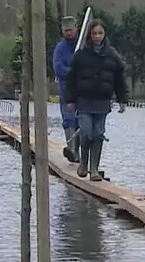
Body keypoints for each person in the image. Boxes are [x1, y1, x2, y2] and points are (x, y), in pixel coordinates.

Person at [63, 19, 129, 181]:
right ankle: (83, 163)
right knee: (86, 132)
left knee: (98, 134)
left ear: (104, 34)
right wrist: (70, 100)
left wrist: (122, 100)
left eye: (100, 33)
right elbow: (71, 79)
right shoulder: (81, 56)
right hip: (84, 101)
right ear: (89, 35)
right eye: (94, 33)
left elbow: (120, 79)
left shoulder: (112, 55)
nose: (97, 36)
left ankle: (94, 169)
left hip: (102, 102)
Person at [53, 16, 80, 163]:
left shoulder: (82, 46)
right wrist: (72, 72)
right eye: (66, 31)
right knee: (69, 120)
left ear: (76, 28)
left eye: (71, 30)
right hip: (66, 90)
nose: (69, 33)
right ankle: (72, 151)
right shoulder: (60, 49)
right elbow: (58, 68)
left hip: (82, 91)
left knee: (81, 121)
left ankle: (80, 152)